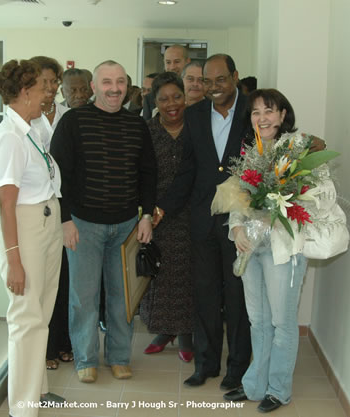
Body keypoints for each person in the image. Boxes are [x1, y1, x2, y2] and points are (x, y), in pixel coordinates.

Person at [223, 88, 344, 413]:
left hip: (284, 250)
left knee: (282, 322)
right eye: (255, 113)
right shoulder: (250, 151)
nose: (262, 118)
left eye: (269, 111)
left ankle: (278, 390)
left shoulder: (298, 149)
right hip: (251, 247)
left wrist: (283, 203)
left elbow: (318, 197)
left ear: (282, 115)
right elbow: (238, 198)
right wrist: (236, 229)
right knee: (258, 321)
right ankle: (253, 386)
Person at [50, 60, 157, 383]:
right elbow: (58, 175)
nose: (114, 88)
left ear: (127, 86)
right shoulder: (73, 122)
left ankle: (119, 356)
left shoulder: (137, 125)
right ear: (95, 86)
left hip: (126, 226)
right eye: (107, 82)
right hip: (83, 225)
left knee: (122, 298)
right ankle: (85, 359)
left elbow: (148, 173)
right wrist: (65, 220)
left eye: (121, 82)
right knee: (83, 297)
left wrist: (147, 215)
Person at [153, 54, 253, 391]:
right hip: (203, 221)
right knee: (205, 294)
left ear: (235, 77)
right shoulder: (194, 115)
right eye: (207, 82)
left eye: (220, 80)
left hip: (241, 221)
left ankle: (237, 368)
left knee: (238, 297)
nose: (213, 88)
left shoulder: (252, 110)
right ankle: (206, 364)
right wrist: (163, 207)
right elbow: (188, 170)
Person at [0, 59, 65, 416]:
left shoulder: (31, 128)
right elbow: (6, 203)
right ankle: (22, 407)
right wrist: (13, 260)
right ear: (24, 91)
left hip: (46, 222)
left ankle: (37, 391)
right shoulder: (9, 138)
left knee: (41, 312)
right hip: (25, 228)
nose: (47, 93)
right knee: (25, 317)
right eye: (41, 87)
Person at [139, 72, 194, 363]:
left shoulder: (197, 129)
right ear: (154, 102)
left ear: (185, 97)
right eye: (163, 99)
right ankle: (164, 331)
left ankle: (186, 334)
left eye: (176, 96)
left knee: (187, 276)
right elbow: (138, 175)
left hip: (190, 215)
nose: (171, 104)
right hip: (154, 216)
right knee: (158, 276)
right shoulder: (146, 131)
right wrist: (147, 212)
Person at [29, 56, 74, 371]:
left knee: (64, 283)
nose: (51, 87)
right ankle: (43, 349)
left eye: (54, 81)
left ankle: (63, 343)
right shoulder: (24, 120)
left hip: (67, 209)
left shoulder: (69, 116)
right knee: (40, 285)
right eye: (45, 81)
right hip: (36, 212)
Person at [142, 45, 191, 120]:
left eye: (177, 62)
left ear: (187, 62)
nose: (172, 67)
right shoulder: (150, 98)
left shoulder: (195, 92)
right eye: (168, 62)